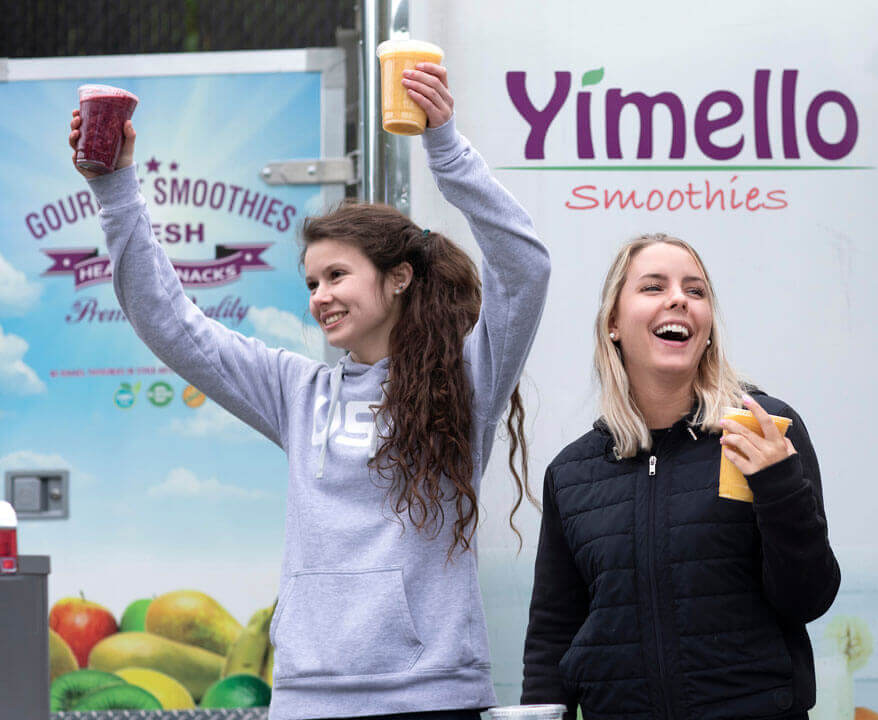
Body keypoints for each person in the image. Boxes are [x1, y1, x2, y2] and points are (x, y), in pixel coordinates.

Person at [69, 62, 550, 720]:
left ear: (400, 277)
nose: (319, 297)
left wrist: (444, 145)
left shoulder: (468, 383)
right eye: (311, 283)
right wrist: (115, 189)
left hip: (433, 698)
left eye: (336, 276)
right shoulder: (297, 392)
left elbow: (525, 268)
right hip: (308, 700)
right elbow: (169, 322)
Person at [519, 234, 839, 719]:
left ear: (708, 327)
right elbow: (552, 633)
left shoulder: (761, 430)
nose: (678, 299)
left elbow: (808, 597)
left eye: (696, 290)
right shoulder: (572, 474)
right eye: (653, 287)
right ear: (613, 324)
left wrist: (779, 487)